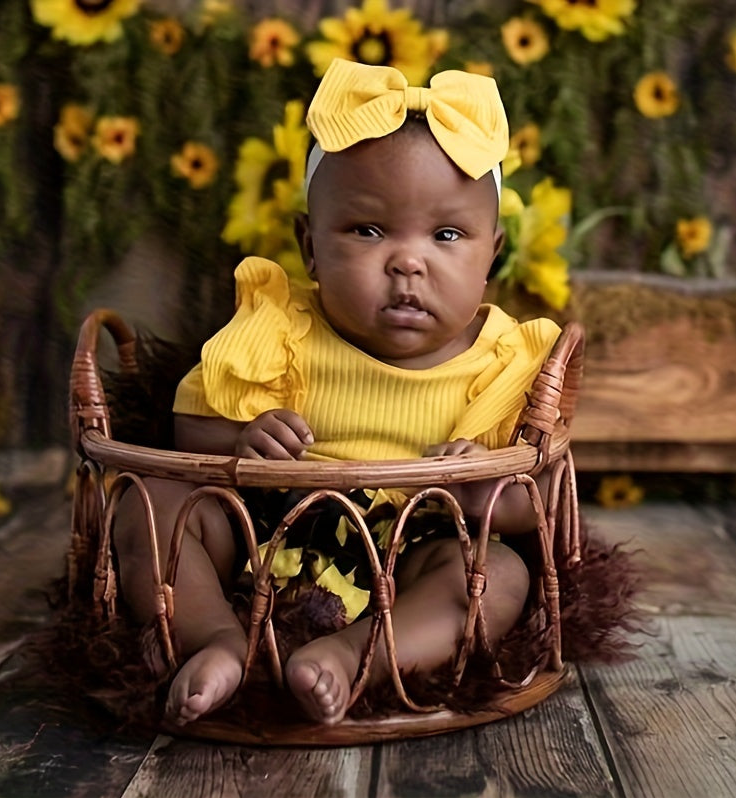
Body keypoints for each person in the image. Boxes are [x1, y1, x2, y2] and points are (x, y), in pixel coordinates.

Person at [113, 58, 562, 728]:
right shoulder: (278, 328)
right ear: (310, 245)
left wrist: (487, 493)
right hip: (265, 535)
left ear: (491, 254)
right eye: (368, 230)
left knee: (498, 574)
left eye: (446, 235)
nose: (408, 261)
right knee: (150, 504)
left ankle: (357, 654)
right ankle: (214, 637)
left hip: (415, 546)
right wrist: (243, 438)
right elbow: (187, 435)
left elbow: (545, 501)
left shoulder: (505, 360)